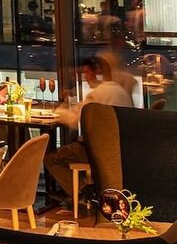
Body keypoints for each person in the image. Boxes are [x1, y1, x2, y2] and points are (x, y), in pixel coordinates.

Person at [45, 56, 135, 207]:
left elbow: (73, 120)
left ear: (98, 72)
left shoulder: (97, 94)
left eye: (87, 72)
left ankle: (82, 191)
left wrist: (60, 108)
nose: (85, 77)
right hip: (120, 148)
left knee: (50, 158)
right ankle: (83, 189)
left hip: (96, 150)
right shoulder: (120, 91)